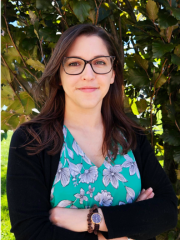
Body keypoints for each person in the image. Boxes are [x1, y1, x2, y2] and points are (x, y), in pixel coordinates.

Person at [7, 24, 178, 240]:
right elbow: (31, 233)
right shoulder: (30, 141)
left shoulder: (132, 137)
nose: (88, 74)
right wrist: (125, 229)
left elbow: (167, 211)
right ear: (59, 76)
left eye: (99, 62)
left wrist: (89, 219)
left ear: (113, 74)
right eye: (75, 63)